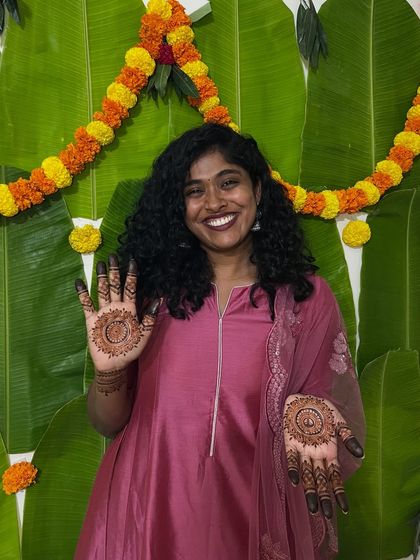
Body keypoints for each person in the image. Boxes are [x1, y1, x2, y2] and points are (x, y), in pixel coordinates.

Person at [74, 123, 365, 560]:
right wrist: (109, 370)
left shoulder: (304, 299)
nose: (214, 203)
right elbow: (107, 422)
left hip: (252, 514)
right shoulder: (151, 299)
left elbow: (333, 413)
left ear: (259, 191)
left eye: (229, 182)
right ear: (180, 207)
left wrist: (310, 415)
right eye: (195, 191)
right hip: (148, 509)